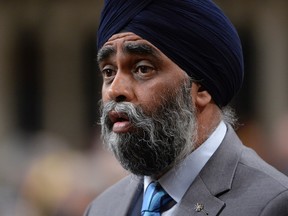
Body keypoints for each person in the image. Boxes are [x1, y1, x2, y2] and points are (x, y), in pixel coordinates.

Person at [84, 0, 288, 215]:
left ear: (202, 87)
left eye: (142, 69)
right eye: (108, 72)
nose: (114, 90)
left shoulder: (272, 204)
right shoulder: (102, 208)